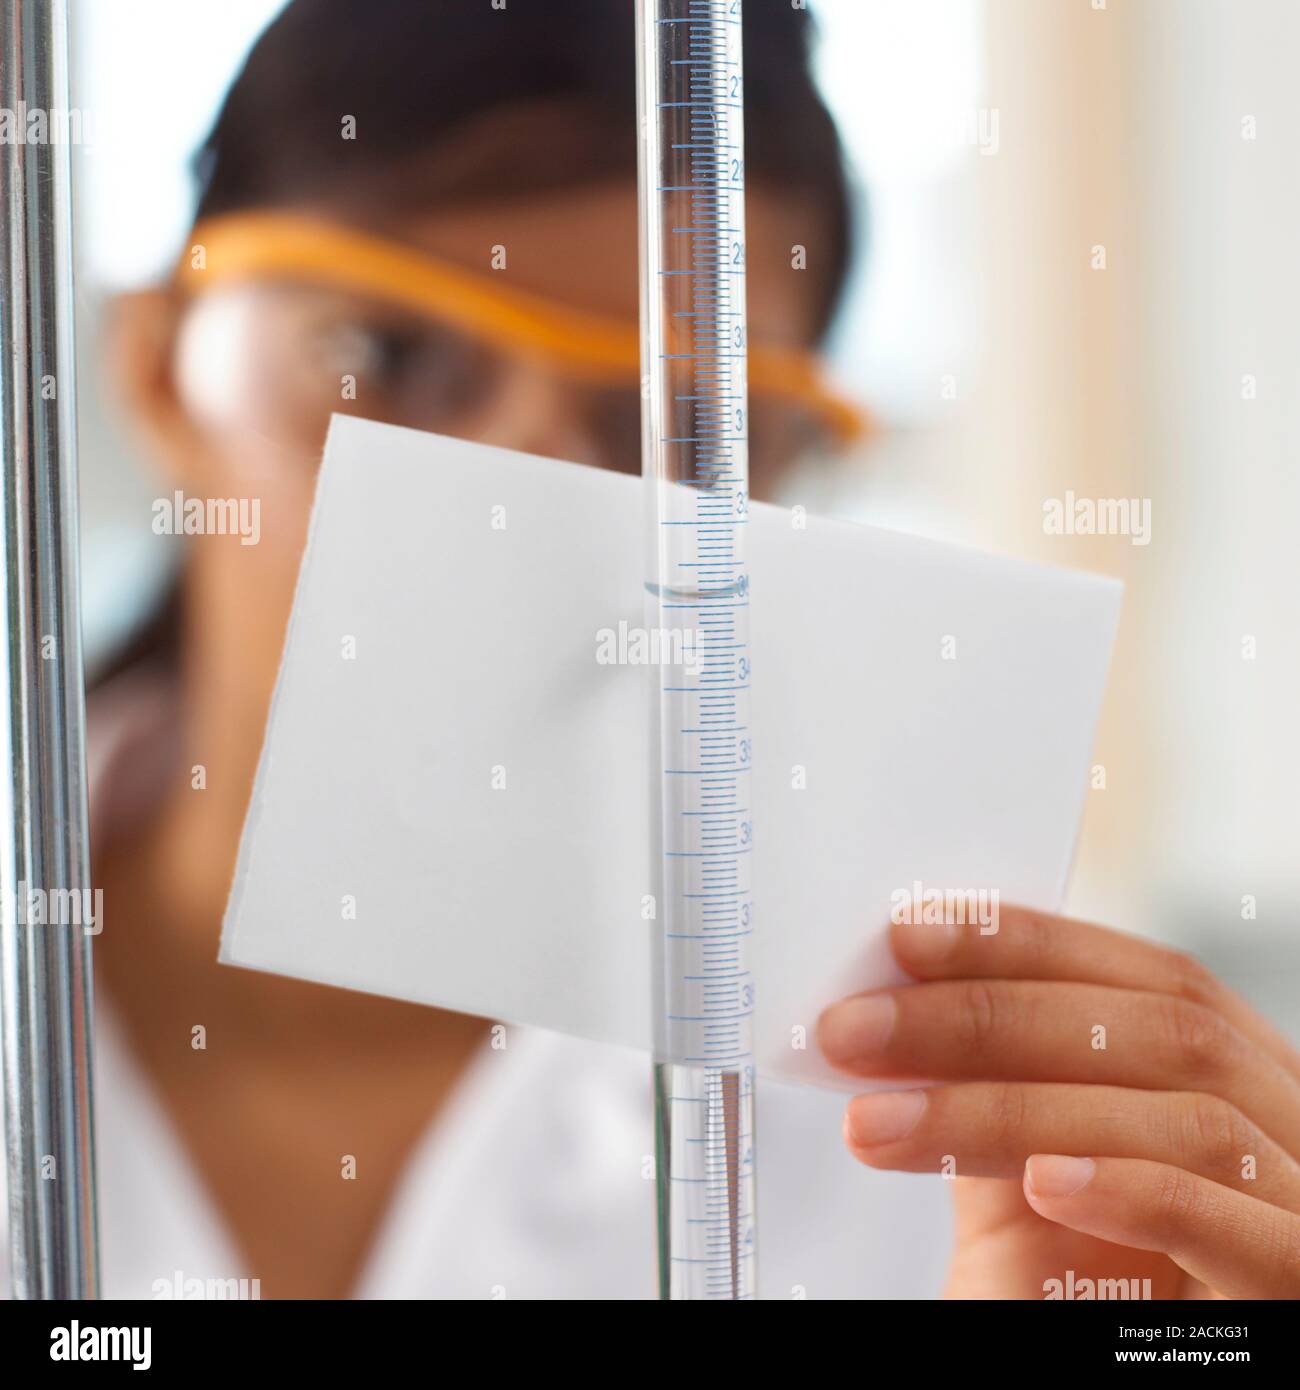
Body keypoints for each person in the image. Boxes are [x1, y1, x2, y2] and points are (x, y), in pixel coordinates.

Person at [20, 0, 1297, 1299]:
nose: (518, 497)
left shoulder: (1007, 1146)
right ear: (156, 368)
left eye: (681, 426)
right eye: (391, 356)